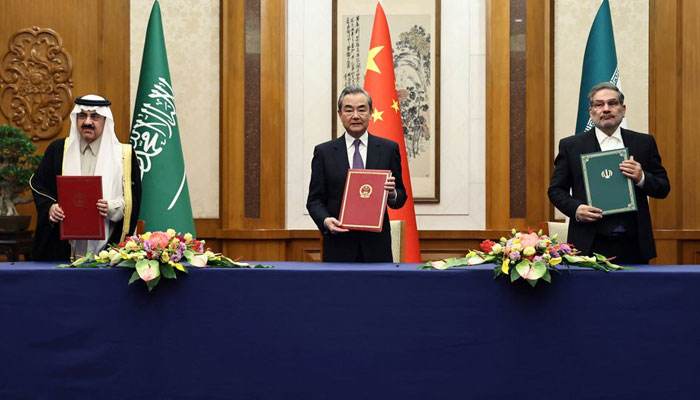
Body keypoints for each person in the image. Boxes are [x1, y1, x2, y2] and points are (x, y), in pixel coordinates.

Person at [548, 82, 670, 264]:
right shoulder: (571, 146)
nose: (606, 109)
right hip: (588, 243)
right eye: (599, 104)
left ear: (623, 109)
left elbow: (663, 188)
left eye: (612, 103)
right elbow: (556, 190)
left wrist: (641, 177)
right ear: (591, 112)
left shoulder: (643, 143)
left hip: (634, 243)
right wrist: (576, 209)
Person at [30, 95, 141, 261]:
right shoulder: (58, 150)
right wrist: (50, 208)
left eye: (95, 117)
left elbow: (133, 199)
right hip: (63, 249)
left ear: (106, 121)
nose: (87, 122)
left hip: (109, 249)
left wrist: (111, 207)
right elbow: (38, 184)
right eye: (82, 116)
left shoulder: (123, 155)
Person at [306, 86, 407, 262]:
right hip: (338, 247)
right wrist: (325, 220)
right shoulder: (324, 152)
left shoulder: (388, 149)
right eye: (348, 110)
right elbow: (314, 200)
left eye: (362, 109)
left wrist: (392, 193)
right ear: (340, 114)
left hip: (377, 248)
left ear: (370, 113)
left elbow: (400, 196)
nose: (355, 116)